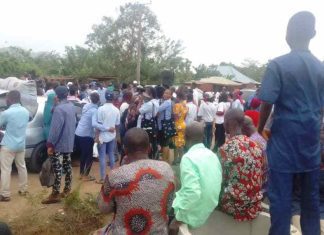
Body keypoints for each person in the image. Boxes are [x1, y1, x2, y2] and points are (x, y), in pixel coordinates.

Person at [257, 12, 324, 235]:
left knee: (281, 202)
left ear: (287, 36)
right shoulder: (321, 68)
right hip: (311, 145)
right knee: (310, 202)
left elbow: (266, 103)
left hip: (284, 146)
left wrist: (259, 131)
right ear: (313, 34)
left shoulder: (277, 65)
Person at [96, 128, 175, 235]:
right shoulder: (167, 169)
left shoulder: (115, 176)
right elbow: (169, 206)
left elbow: (103, 208)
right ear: (150, 148)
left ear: (124, 150)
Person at [170, 122, 222, 233]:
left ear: (185, 137)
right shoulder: (212, 154)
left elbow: (192, 192)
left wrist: (178, 218)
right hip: (210, 205)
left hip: (195, 212)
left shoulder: (188, 158)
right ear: (203, 137)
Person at [219, 109, 263, 221]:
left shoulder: (226, 149)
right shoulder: (256, 145)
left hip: (235, 208)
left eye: (224, 120)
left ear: (229, 123)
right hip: (255, 206)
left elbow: (219, 181)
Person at [42, 86, 76, 204]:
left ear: (56, 96)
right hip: (68, 142)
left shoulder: (59, 109)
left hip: (58, 144)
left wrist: (50, 144)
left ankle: (55, 194)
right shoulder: (71, 106)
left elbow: (55, 129)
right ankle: (67, 190)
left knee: (57, 169)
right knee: (67, 167)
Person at [0, 91, 29, 202]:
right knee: (22, 167)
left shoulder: (7, 113)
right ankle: (23, 189)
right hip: (21, 144)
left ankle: (5, 194)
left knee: (6, 169)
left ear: (9, 99)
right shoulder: (25, 111)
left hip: (8, 145)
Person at [96, 90, 120, 184]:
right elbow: (117, 124)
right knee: (111, 154)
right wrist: (117, 136)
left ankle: (102, 178)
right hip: (112, 135)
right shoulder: (116, 109)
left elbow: (98, 125)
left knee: (102, 157)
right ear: (113, 98)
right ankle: (112, 177)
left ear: (105, 98)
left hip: (102, 136)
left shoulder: (100, 109)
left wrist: (96, 136)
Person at [75, 92, 100, 181]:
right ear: (98, 100)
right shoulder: (95, 111)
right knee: (89, 155)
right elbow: (94, 125)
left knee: (83, 154)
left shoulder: (86, 106)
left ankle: (81, 174)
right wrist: (97, 136)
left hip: (79, 132)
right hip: (87, 135)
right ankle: (85, 175)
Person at [242, 116, 268, 191]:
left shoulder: (250, 143)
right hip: (268, 179)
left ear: (244, 129)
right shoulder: (261, 135)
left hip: (258, 184)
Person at [138, 87, 158, 159]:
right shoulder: (156, 102)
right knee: (152, 141)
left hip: (146, 124)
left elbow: (138, 111)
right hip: (152, 124)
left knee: (146, 141)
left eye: (146, 93)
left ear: (151, 95)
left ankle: (147, 157)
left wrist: (140, 101)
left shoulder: (149, 104)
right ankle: (153, 156)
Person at [173, 87, 188, 164]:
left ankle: (178, 159)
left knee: (177, 144)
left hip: (178, 124)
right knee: (181, 142)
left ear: (178, 97)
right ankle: (180, 158)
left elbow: (175, 117)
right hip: (183, 124)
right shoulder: (186, 106)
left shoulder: (177, 105)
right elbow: (185, 117)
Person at [157, 89, 173, 162]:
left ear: (170, 95)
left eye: (167, 93)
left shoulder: (167, 102)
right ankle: (167, 159)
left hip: (164, 124)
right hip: (167, 123)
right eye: (164, 93)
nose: (165, 94)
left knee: (165, 144)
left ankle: (164, 160)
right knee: (166, 143)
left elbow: (158, 109)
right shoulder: (168, 102)